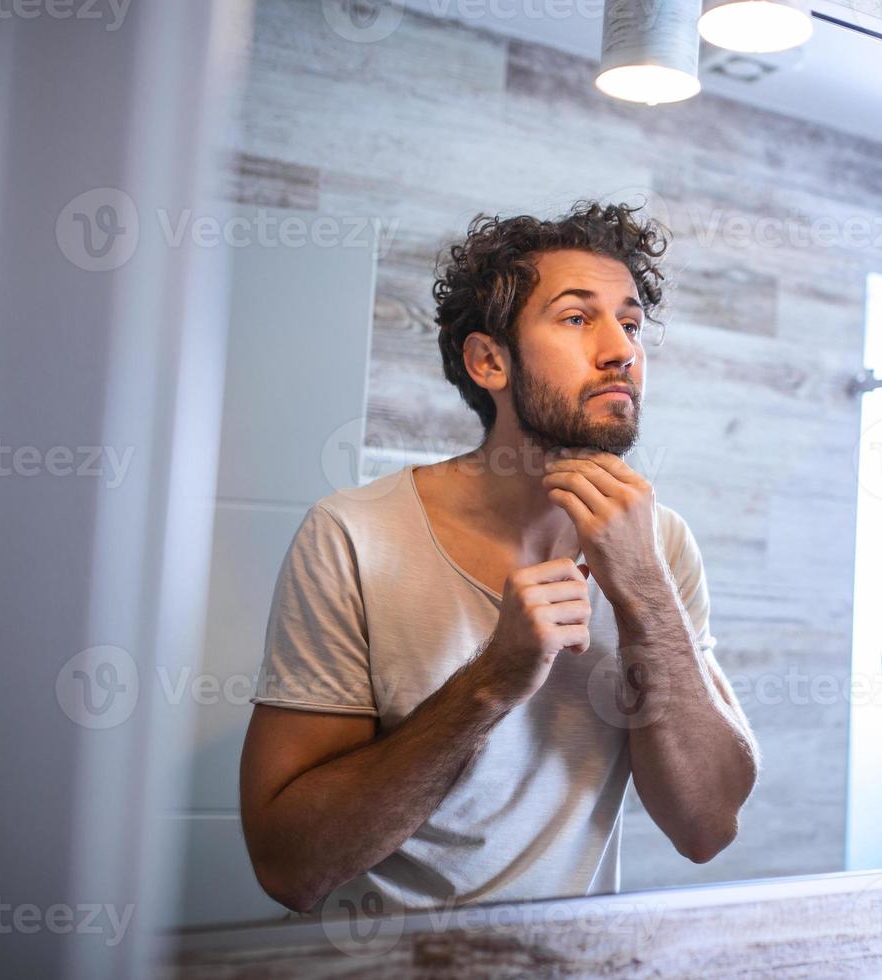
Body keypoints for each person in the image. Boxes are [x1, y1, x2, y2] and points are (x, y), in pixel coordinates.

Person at [239, 201, 758, 915]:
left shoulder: (659, 544)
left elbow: (707, 826)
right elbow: (291, 867)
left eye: (630, 324)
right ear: (489, 361)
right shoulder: (352, 535)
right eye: (578, 318)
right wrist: (491, 682)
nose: (622, 351)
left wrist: (643, 590)